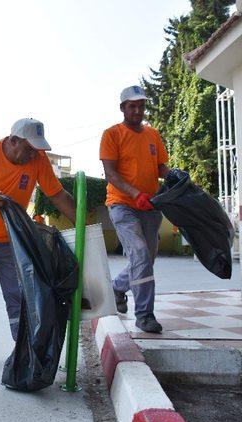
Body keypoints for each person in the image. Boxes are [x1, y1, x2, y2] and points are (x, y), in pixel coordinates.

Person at [0, 118, 77, 371]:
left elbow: (58, 195)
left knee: (19, 295)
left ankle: (25, 350)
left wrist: (83, 226)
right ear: (13, 140)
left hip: (10, 240)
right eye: (30, 149)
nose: (34, 154)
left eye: (38, 150)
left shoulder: (37, 160)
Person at [100, 85, 170, 333]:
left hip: (150, 206)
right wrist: (134, 194)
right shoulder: (112, 135)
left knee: (146, 259)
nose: (138, 110)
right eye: (132, 106)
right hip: (122, 204)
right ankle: (145, 315)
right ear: (123, 108)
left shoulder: (153, 135)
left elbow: (161, 167)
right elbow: (110, 173)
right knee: (140, 253)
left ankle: (118, 287)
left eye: (141, 105)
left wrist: (175, 176)